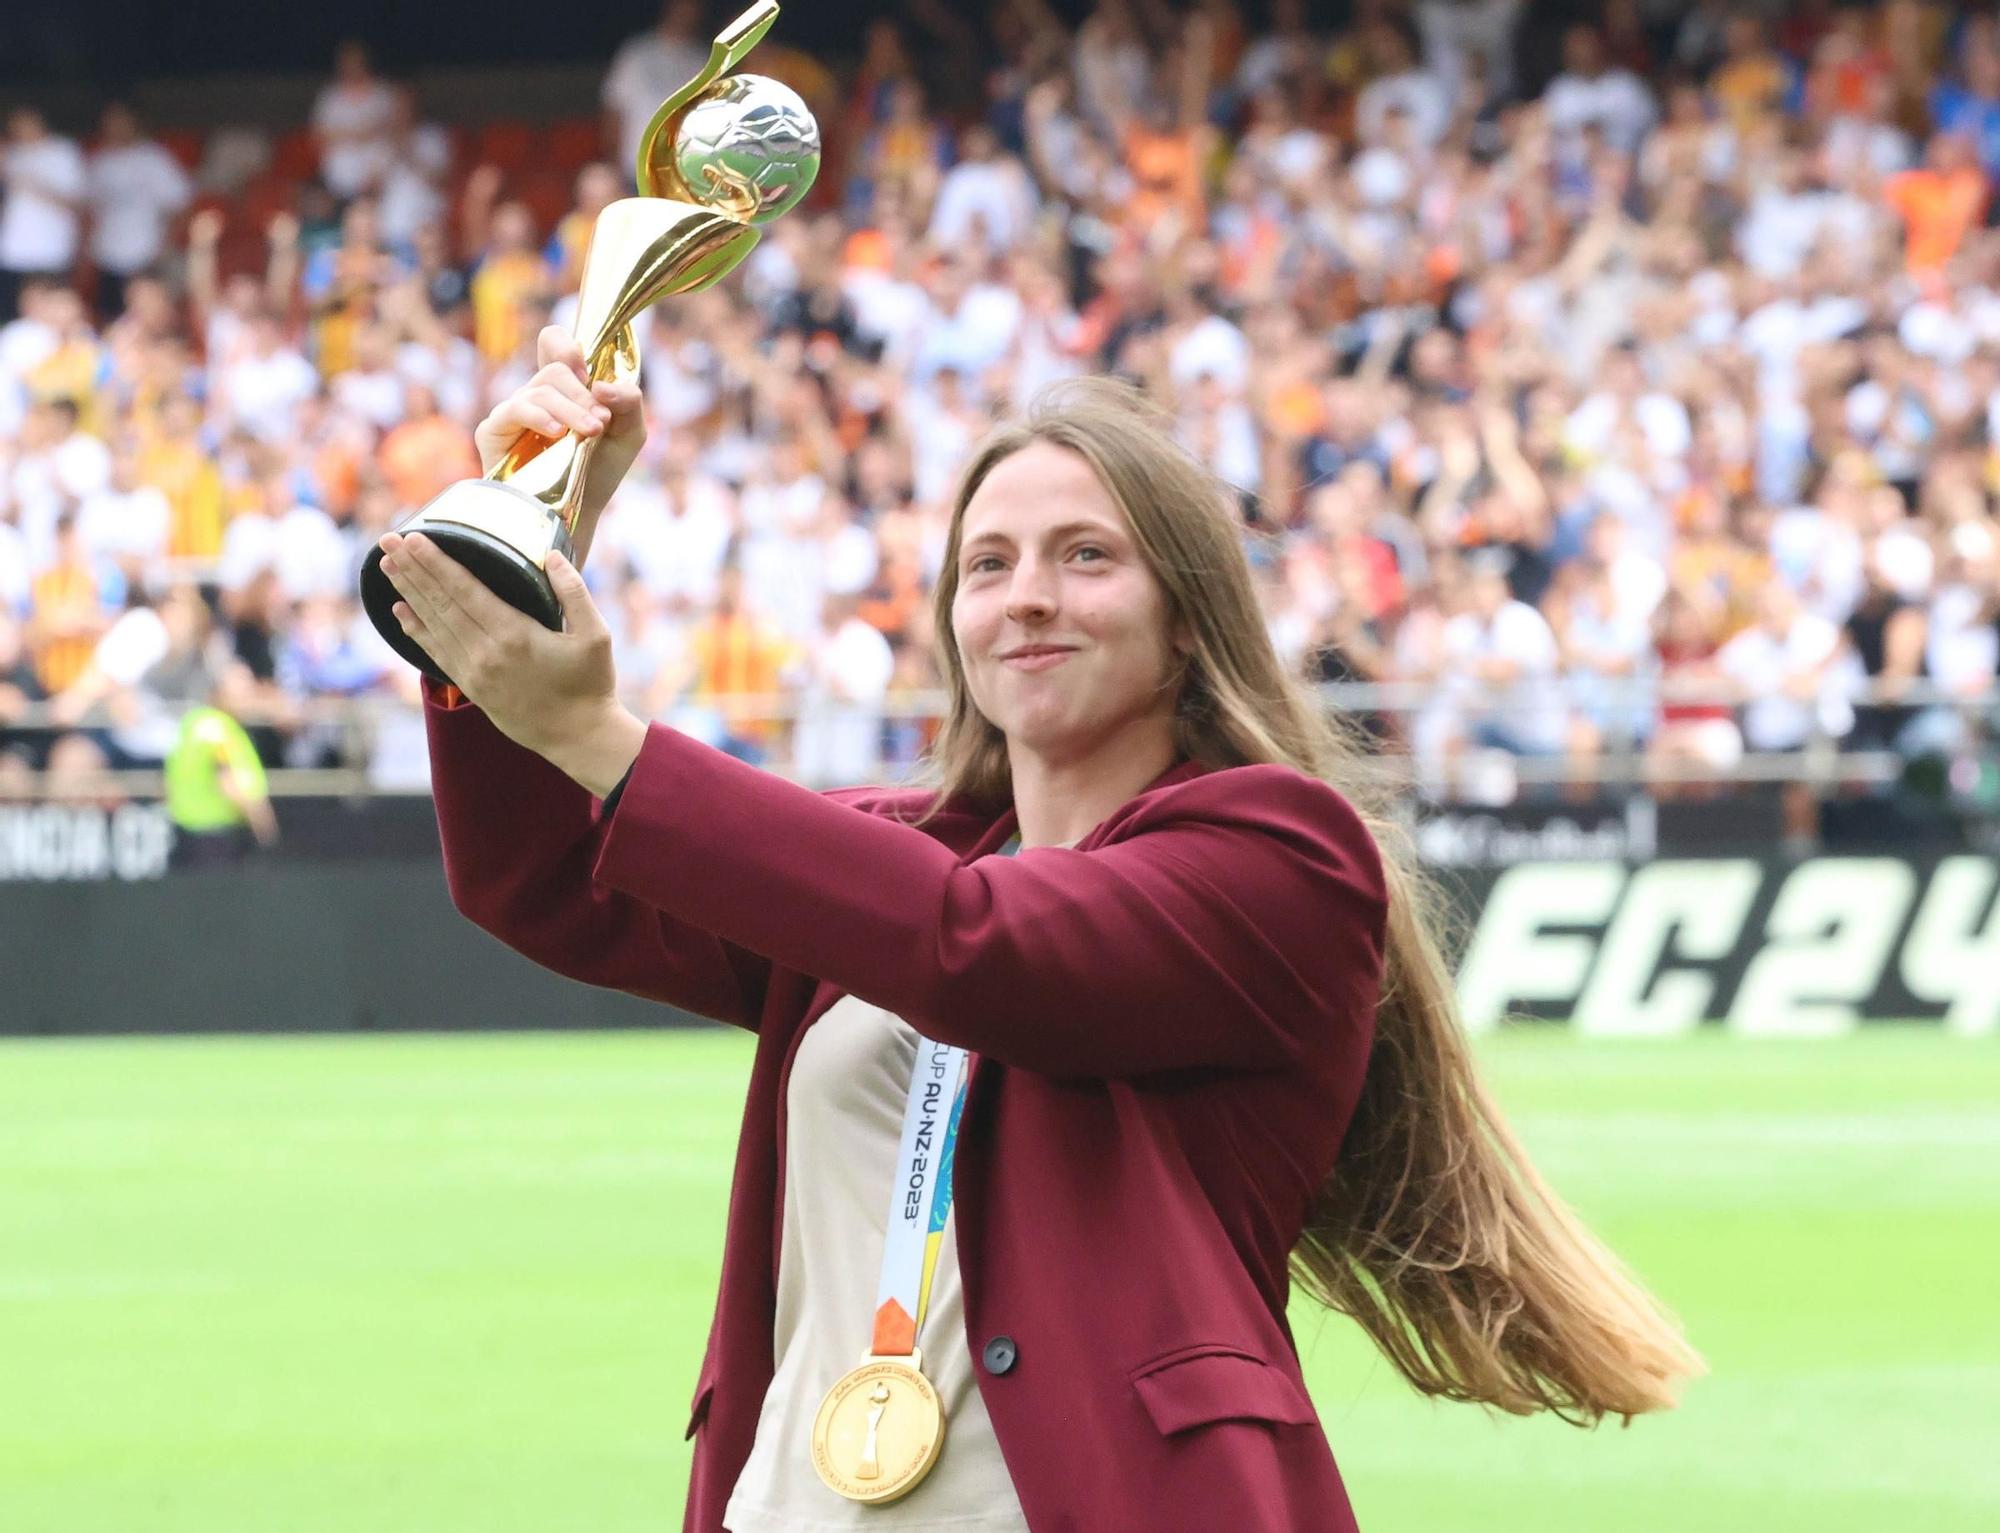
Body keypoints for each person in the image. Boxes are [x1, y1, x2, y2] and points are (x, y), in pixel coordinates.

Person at [377, 330, 1701, 1530]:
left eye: (1087, 556)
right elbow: (536, 877)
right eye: (987, 565)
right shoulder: (892, 853)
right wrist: (524, 552)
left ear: (1189, 621)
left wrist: (599, 733)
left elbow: (980, 946)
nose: (1027, 597)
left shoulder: (1284, 859)